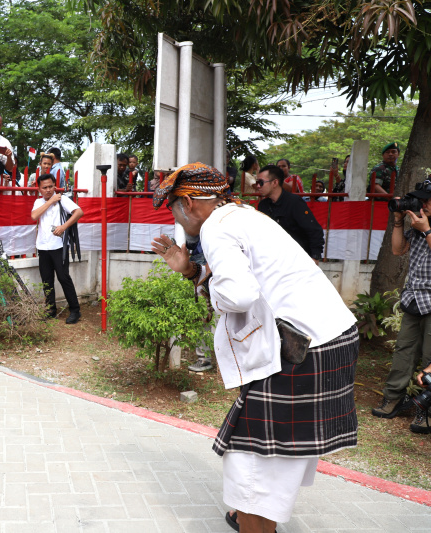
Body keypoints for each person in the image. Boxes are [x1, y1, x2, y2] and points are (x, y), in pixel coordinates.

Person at [151, 162, 357, 533]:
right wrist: (192, 272)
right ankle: (252, 517)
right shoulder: (241, 215)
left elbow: (239, 294)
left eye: (174, 209)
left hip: (304, 348)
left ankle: (255, 521)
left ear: (191, 203)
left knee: (253, 457)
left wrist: (208, 284)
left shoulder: (217, 227)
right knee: (270, 455)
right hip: (323, 339)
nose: (177, 219)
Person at [371, 180, 431, 434]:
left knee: (430, 357)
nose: (423, 204)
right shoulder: (417, 226)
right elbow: (397, 250)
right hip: (413, 297)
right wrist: (398, 220)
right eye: (421, 200)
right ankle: (393, 399)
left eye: (427, 200)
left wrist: (427, 230)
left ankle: (426, 408)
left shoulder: (424, 227)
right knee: (403, 351)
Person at [31, 173, 83, 324]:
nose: (48, 190)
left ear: (55, 186)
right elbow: (34, 216)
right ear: (39, 189)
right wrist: (50, 201)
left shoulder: (63, 199)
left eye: (51, 186)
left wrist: (64, 227)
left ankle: (75, 310)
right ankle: (50, 310)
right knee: (46, 279)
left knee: (63, 277)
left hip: (59, 246)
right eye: (44, 187)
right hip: (43, 246)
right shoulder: (38, 202)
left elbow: (79, 212)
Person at [255, 164, 325, 263]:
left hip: (296, 259)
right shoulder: (263, 205)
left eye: (261, 182)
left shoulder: (294, 202)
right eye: (257, 182)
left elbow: (314, 230)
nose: (258, 186)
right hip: (273, 259)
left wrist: (315, 257)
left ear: (275, 182)